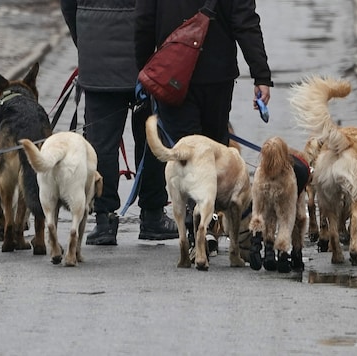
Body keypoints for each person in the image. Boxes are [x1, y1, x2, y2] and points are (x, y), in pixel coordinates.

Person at [134, 0, 274, 255]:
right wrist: (261, 75)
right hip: (217, 75)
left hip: (172, 72)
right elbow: (245, 22)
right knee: (212, 149)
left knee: (186, 151)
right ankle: (207, 224)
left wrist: (145, 69)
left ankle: (195, 225)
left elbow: (143, 20)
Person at [60, 0, 178, 246]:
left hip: (97, 56)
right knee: (151, 136)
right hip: (147, 57)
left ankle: (104, 220)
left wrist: (86, 42)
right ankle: (153, 215)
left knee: (100, 143)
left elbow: (68, 6)